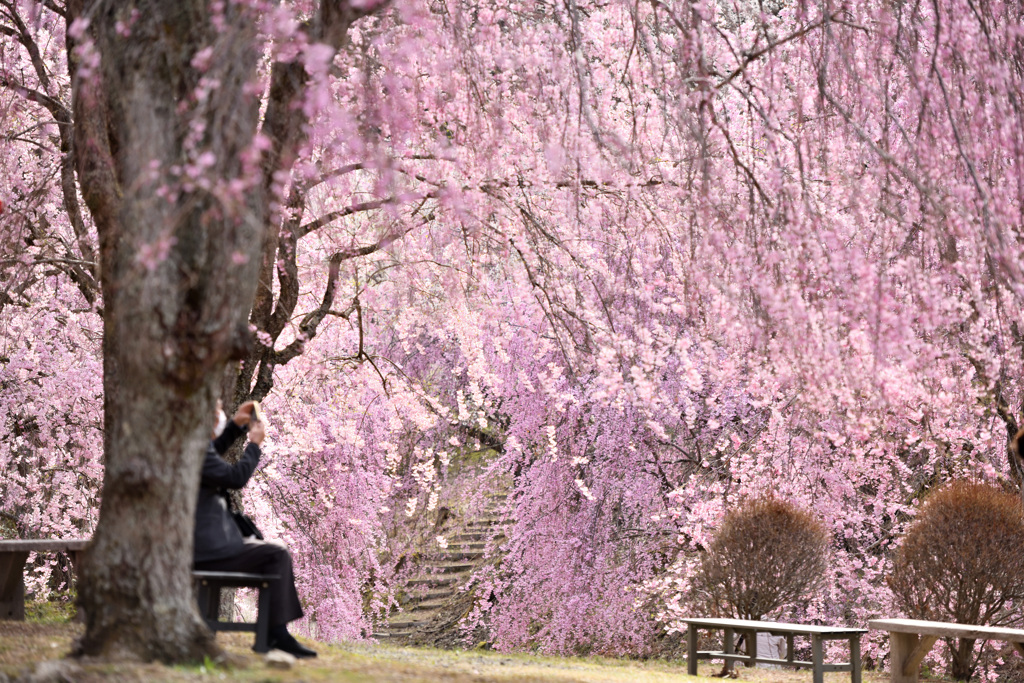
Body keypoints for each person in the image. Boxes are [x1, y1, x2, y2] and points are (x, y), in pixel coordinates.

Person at [193, 400, 317, 659]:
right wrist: (254, 445)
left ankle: (276, 630)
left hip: (201, 544)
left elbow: (210, 452)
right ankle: (276, 632)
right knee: (277, 553)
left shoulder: (188, 447)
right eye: (217, 411)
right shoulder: (196, 451)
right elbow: (236, 478)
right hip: (210, 549)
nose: (221, 415)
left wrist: (237, 427)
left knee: (272, 553)